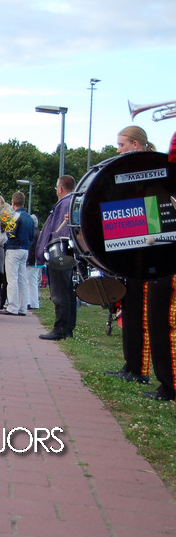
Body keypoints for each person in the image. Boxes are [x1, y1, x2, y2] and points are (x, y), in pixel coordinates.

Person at [104, 126, 156, 384]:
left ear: (135, 145)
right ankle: (131, 364)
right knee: (130, 309)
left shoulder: (152, 171)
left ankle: (139, 369)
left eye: (121, 145)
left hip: (149, 253)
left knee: (141, 313)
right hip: (133, 251)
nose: (118, 150)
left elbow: (152, 213)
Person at [144, 131, 176, 401]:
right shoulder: (158, 186)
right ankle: (166, 383)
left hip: (169, 260)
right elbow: (153, 230)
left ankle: (169, 384)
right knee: (156, 319)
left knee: (165, 320)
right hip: (161, 256)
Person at [35, 175, 77, 340]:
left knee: (60, 293)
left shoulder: (64, 203)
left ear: (60, 189)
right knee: (68, 292)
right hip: (69, 253)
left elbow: (58, 231)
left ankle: (60, 329)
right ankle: (68, 328)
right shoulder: (74, 202)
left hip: (59, 253)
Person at [0, 191, 35, 316]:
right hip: (25, 249)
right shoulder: (30, 218)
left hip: (14, 248)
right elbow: (32, 236)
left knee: (12, 279)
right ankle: (23, 307)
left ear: (13, 202)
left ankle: (12, 307)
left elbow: (10, 234)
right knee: (22, 279)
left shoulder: (15, 216)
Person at [26, 213, 42, 310]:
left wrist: (28, 261)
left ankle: (28, 301)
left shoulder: (32, 233)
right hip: (38, 261)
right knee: (33, 282)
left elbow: (31, 249)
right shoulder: (38, 233)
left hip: (32, 261)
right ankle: (34, 303)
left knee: (26, 281)